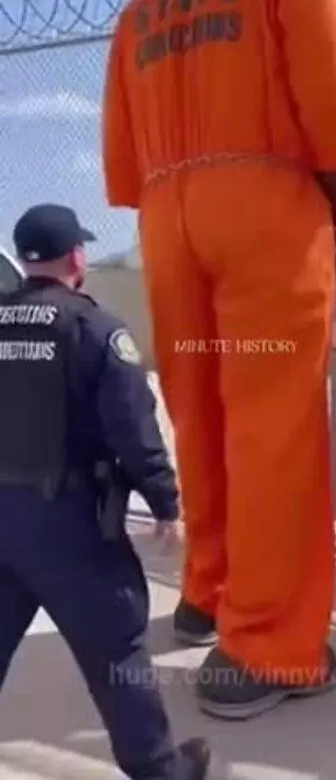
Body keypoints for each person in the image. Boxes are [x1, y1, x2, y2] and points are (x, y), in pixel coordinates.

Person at [102, 0, 336, 720]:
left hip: (166, 215)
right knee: (274, 422)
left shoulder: (145, 4)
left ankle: (207, 592)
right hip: (263, 197)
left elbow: (122, 161)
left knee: (202, 412)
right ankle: (266, 648)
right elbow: (335, 107)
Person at [0, 203, 217, 779]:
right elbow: (132, 427)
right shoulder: (96, 329)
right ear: (77, 257)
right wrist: (165, 500)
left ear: (23, 259)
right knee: (118, 653)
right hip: (71, 528)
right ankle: (161, 772)